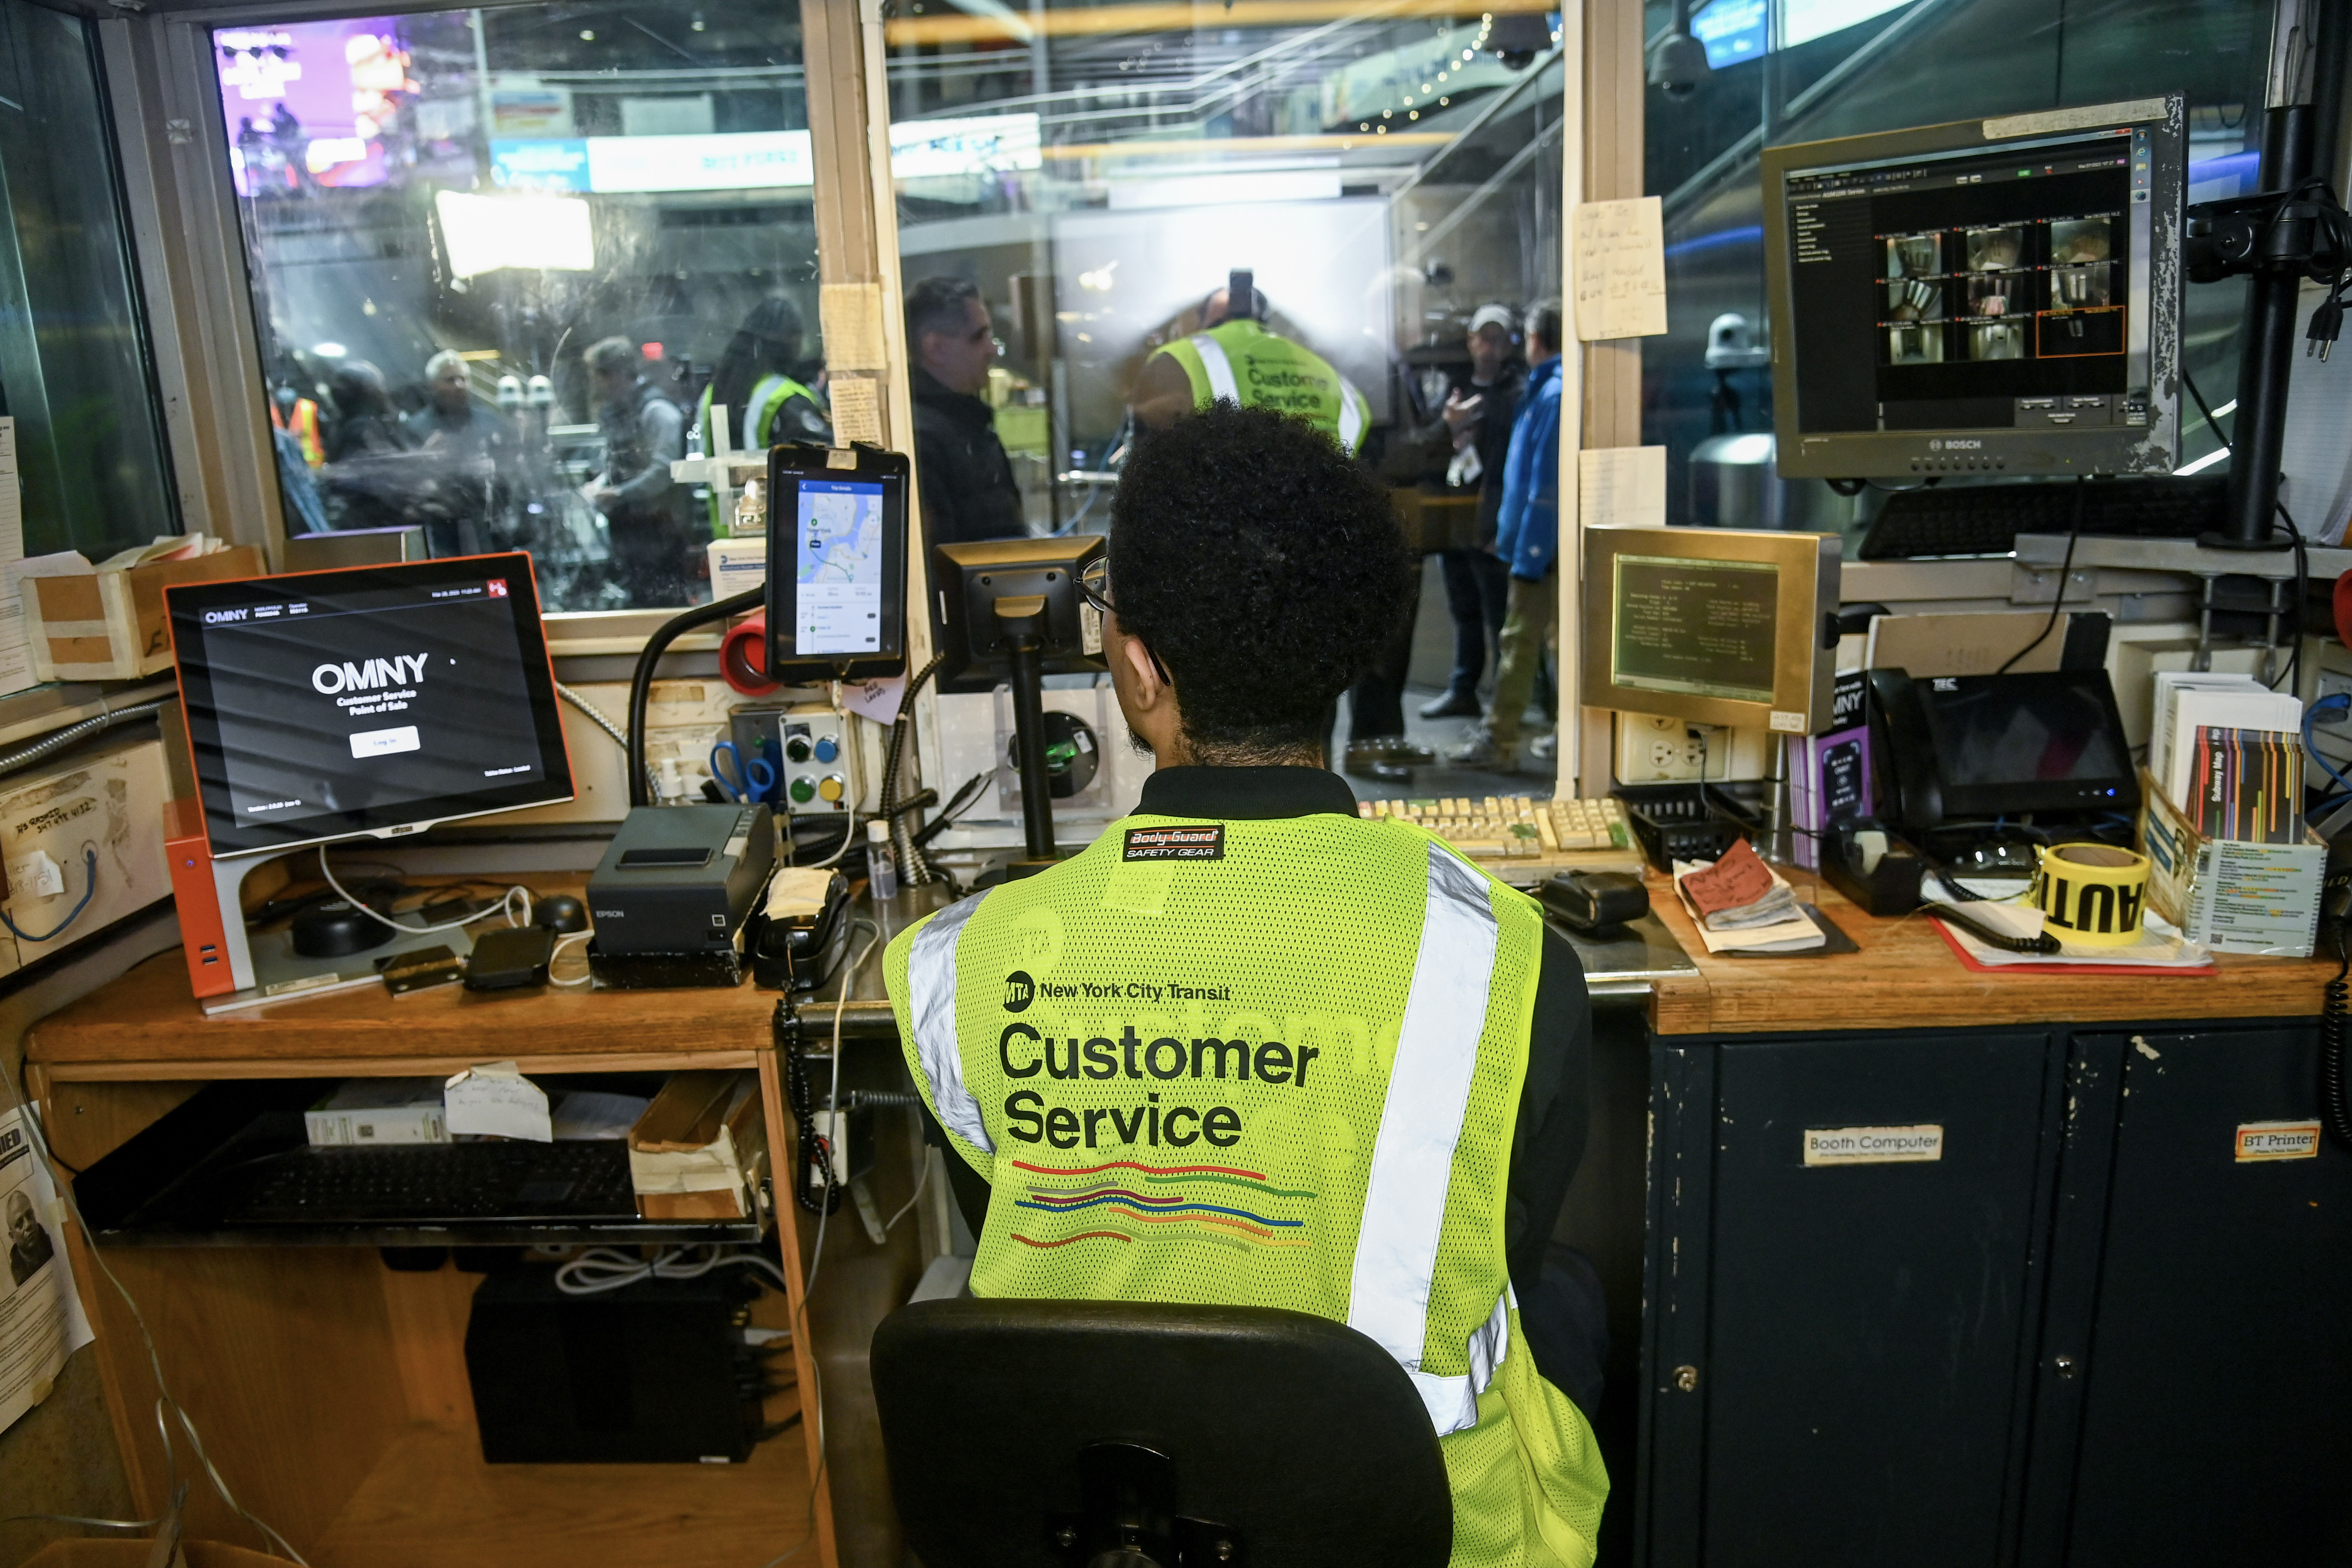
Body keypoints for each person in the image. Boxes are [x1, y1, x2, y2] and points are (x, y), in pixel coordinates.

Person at [884, 402, 1609, 1567]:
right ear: (1355, 648)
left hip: (1104, 1524)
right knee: (1561, 1297)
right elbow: (1491, 1267)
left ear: (1135, 671)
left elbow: (1034, 1274)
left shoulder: (954, 969)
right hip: (1417, 1528)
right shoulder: (1509, 962)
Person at [1131, 272, 1417, 781]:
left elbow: (1148, 491)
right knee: (1305, 723)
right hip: (1321, 575)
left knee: (1223, 737)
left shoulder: (1183, 360)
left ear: (1205, 321)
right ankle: (1312, 805)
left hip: (1222, 584)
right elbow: (1362, 459)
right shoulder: (1320, 370)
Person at [1449, 302, 1564, 774]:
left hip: (1540, 551)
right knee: (1550, 643)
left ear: (1533, 339)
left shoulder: (1549, 395)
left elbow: (1543, 487)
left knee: (1518, 641)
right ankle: (1561, 730)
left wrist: (1528, 553)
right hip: (1533, 544)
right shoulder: (1544, 391)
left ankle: (1499, 740)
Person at [1421, 305, 1526, 720]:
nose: (1488, 347)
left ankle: (1505, 704)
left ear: (1508, 345)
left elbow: (1510, 468)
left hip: (1490, 522)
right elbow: (1426, 449)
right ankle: (1463, 688)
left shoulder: (1516, 395)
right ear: (1469, 341)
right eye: (1482, 338)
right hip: (1453, 518)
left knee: (1499, 614)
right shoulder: (1452, 390)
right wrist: (1449, 426)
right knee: (1463, 610)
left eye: (1497, 339)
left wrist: (1502, 523)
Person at [906, 276, 1025, 546]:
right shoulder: (924, 439)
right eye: (978, 337)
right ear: (936, 349)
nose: (992, 349)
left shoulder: (970, 424)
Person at [584, 336, 696, 606]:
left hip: (660, 532)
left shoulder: (657, 411)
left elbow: (664, 471)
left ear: (612, 375)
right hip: (636, 532)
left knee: (664, 605)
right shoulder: (624, 412)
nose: (594, 385)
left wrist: (619, 494)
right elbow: (619, 463)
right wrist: (602, 485)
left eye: (596, 376)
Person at [405, 350, 512, 556]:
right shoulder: (416, 429)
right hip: (440, 528)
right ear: (432, 385)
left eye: (464, 379)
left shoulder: (490, 424)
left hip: (486, 523)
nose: (459, 385)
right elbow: (412, 483)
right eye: (450, 380)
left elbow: (506, 472)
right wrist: (427, 458)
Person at [699, 296, 831, 457]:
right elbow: (823, 454)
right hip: (768, 482)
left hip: (722, 483)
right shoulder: (783, 396)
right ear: (790, 339)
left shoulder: (713, 392)